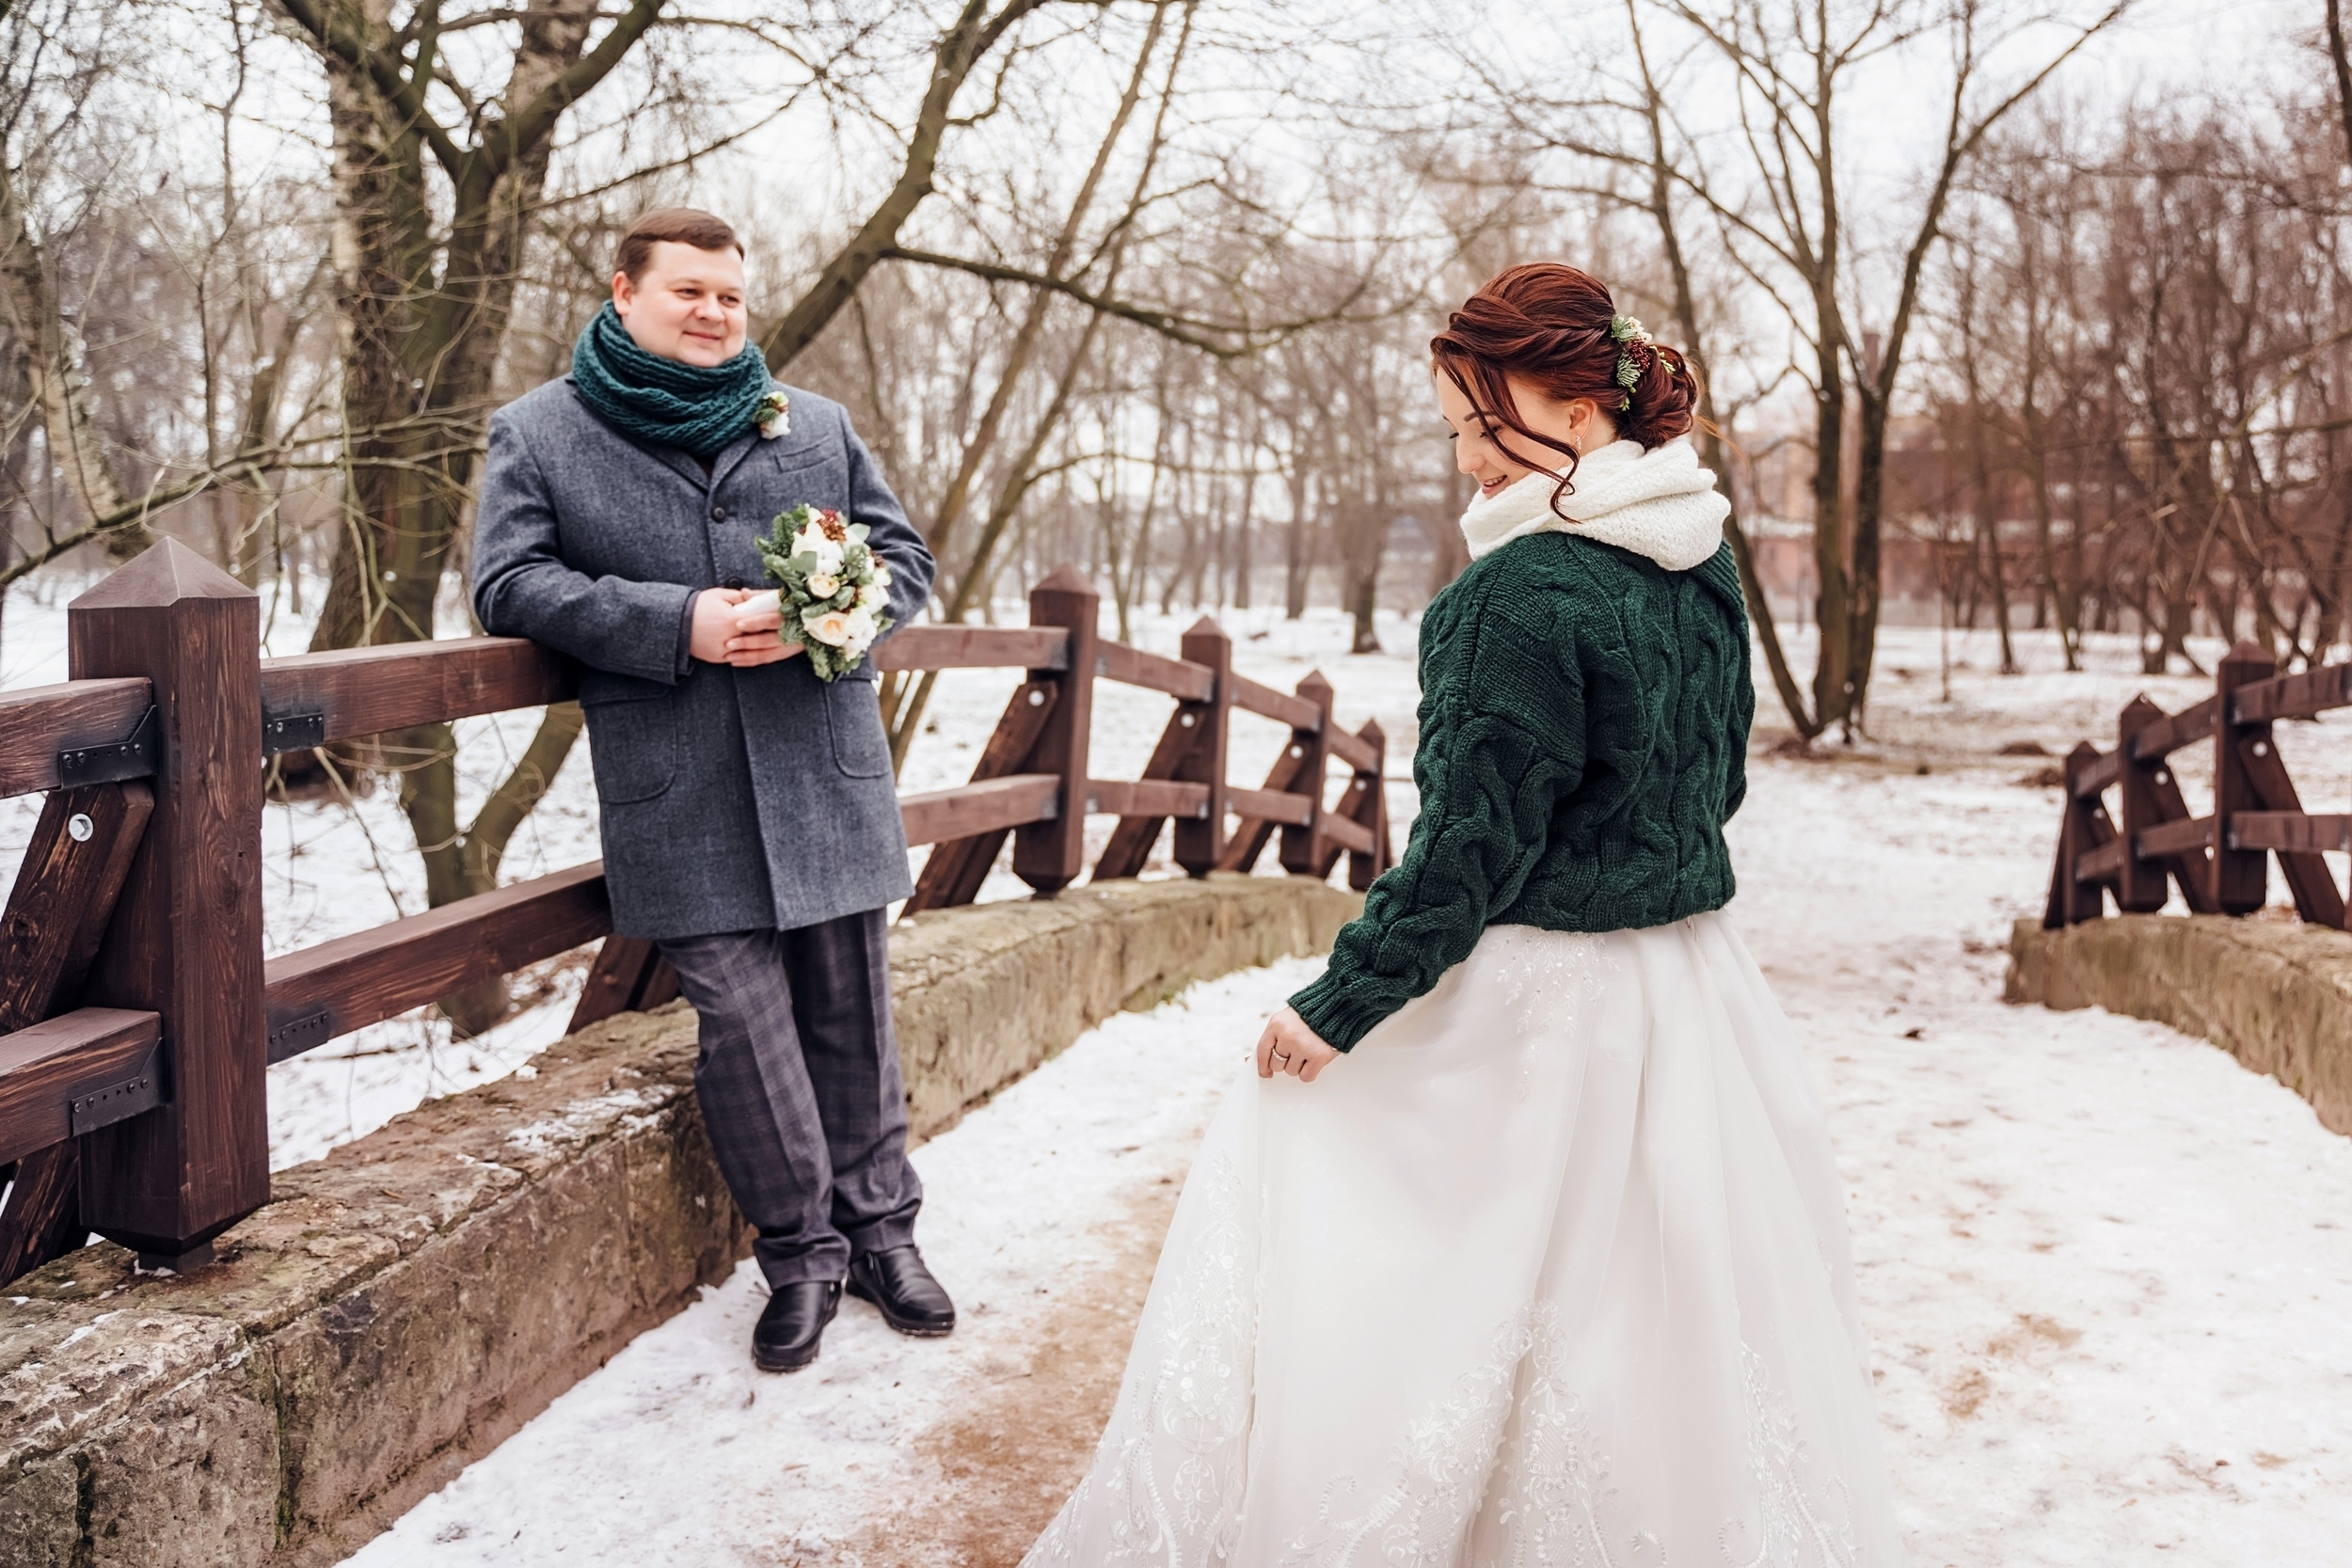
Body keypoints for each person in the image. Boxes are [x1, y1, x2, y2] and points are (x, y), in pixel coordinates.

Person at [1025, 263, 1904, 1564]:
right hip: (1693, 992)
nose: (1461, 464)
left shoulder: (1515, 597)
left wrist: (1345, 1001)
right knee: (1654, 1314)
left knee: (1324, 1157)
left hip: (1547, 1002)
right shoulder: (1702, 554)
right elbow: (1716, 782)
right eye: (1453, 431)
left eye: (1476, 426)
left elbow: (1469, 853)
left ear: (1569, 409)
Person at [472, 208, 953, 1375]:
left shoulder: (815, 423)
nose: (714, 313)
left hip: (824, 772)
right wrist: (671, 620)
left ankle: (886, 1234)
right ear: (625, 291)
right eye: (689, 290)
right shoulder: (538, 433)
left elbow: (906, 562)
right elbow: (507, 583)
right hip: (674, 785)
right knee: (742, 1027)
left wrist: (836, 611)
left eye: (730, 296)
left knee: (852, 1012)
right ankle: (802, 1256)